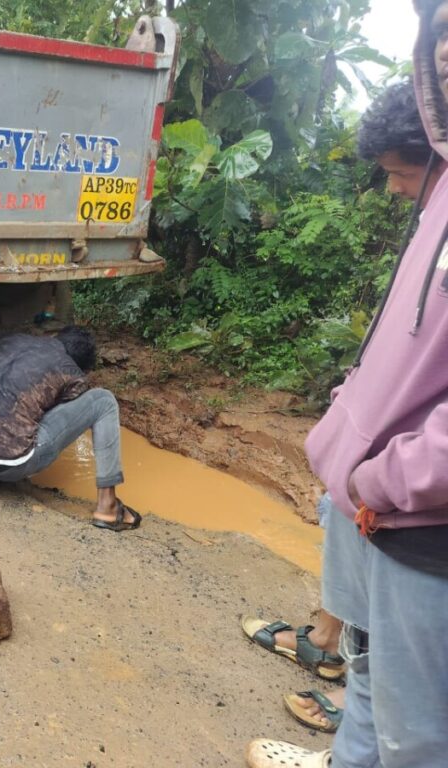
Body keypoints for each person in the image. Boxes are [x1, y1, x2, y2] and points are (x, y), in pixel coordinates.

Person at [246, 5, 448, 767]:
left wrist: (381, 476)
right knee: (367, 692)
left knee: (417, 737)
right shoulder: (434, 213)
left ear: (424, 152)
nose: (394, 190)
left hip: (421, 530)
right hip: (373, 511)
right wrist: (341, 427)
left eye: (398, 174)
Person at [0, 326, 138, 530]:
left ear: (56, 338)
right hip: (7, 464)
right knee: (104, 400)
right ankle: (108, 506)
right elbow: (56, 417)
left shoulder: (11, 339)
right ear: (82, 366)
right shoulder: (71, 372)